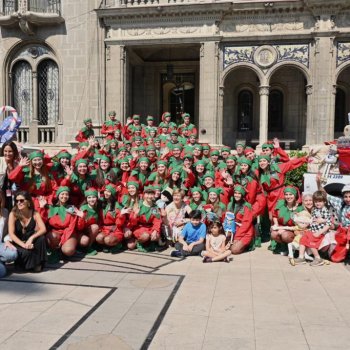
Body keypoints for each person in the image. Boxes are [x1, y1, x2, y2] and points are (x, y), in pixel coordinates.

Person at [8, 191, 47, 272]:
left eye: (21, 200)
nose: (19, 203)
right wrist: (24, 245)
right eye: (17, 201)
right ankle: (30, 264)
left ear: (28, 202)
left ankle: (37, 263)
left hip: (30, 242)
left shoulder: (34, 213)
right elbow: (11, 234)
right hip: (19, 242)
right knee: (26, 253)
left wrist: (31, 238)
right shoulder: (13, 214)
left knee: (42, 238)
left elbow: (43, 229)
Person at [295, 190, 331, 266]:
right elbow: (312, 220)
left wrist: (319, 232)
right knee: (303, 239)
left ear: (324, 201)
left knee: (311, 241)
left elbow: (328, 224)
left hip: (319, 232)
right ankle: (301, 257)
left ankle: (318, 258)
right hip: (312, 230)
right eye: (316, 201)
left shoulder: (325, 211)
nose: (318, 203)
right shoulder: (315, 209)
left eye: (320, 201)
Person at [0, 191, 17, 277]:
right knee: (2, 271)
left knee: (13, 253)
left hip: (0, 244)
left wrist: (7, 240)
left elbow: (8, 232)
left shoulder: (5, 212)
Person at [0, 141, 20, 211]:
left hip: (12, 194)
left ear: (14, 152)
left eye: (10, 151)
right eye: (5, 151)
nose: (7, 154)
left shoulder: (17, 164)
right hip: (1, 195)